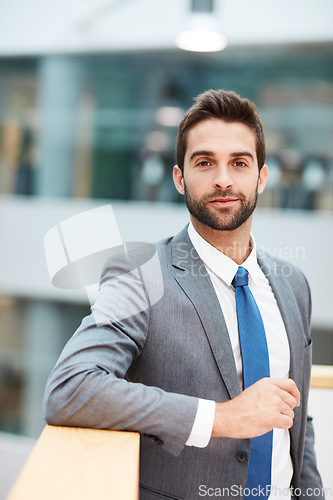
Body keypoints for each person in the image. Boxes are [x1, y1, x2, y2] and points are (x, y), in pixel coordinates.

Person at [44, 89, 324, 500]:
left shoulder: (292, 284)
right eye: (205, 162)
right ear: (179, 178)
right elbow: (71, 389)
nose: (223, 179)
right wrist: (223, 418)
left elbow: (297, 421)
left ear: (262, 177)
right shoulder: (140, 274)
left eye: (240, 163)